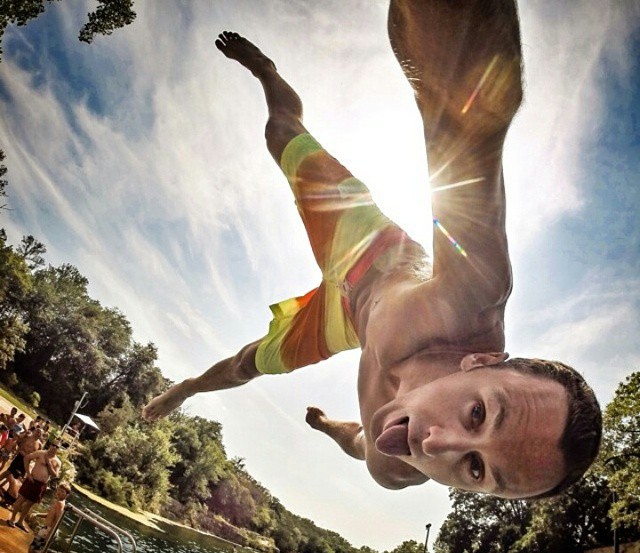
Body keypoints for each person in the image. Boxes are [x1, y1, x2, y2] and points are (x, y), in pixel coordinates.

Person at [142, 0, 602, 499]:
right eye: (477, 413)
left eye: (475, 469)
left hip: (341, 322)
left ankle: (187, 387)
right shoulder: (471, 298)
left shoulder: (394, 468)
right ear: (481, 361)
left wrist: (327, 427)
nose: (435, 444)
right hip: (368, 249)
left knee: (247, 364)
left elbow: (359, 441)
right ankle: (268, 73)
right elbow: (468, 118)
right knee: (281, 133)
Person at [16, 482, 70, 553]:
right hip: (47, 529)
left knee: (32, 549)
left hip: (48, 530)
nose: (59, 492)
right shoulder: (59, 502)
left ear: (67, 495)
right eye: (58, 490)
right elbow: (50, 515)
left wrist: (50, 533)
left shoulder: (60, 504)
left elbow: (57, 520)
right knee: (38, 550)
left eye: (62, 491)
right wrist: (38, 514)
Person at [6, 440, 62, 531]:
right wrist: (28, 473)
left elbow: (54, 475)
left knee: (30, 504)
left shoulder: (57, 462)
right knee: (21, 500)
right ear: (50, 445)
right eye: (53, 445)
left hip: (41, 485)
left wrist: (48, 463)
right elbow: (26, 458)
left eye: (57, 447)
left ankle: (20, 521)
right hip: (32, 480)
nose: (54, 447)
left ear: (58, 449)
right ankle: (12, 518)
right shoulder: (41, 453)